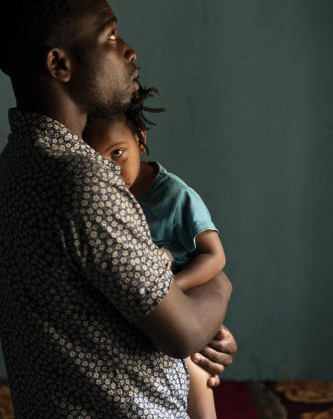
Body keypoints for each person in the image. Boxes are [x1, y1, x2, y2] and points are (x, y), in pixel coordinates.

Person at [0, 0, 236, 417]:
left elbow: (107, 315)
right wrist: (218, 287)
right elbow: (182, 333)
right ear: (59, 65)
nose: (128, 50)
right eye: (111, 35)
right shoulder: (82, 182)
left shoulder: (18, 161)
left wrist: (203, 325)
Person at [82, 86, 226, 419]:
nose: (109, 171)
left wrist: (173, 289)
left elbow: (215, 257)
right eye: (96, 160)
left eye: (117, 153)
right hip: (141, 320)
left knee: (197, 375)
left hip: (184, 309)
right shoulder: (100, 200)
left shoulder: (174, 195)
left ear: (140, 140)